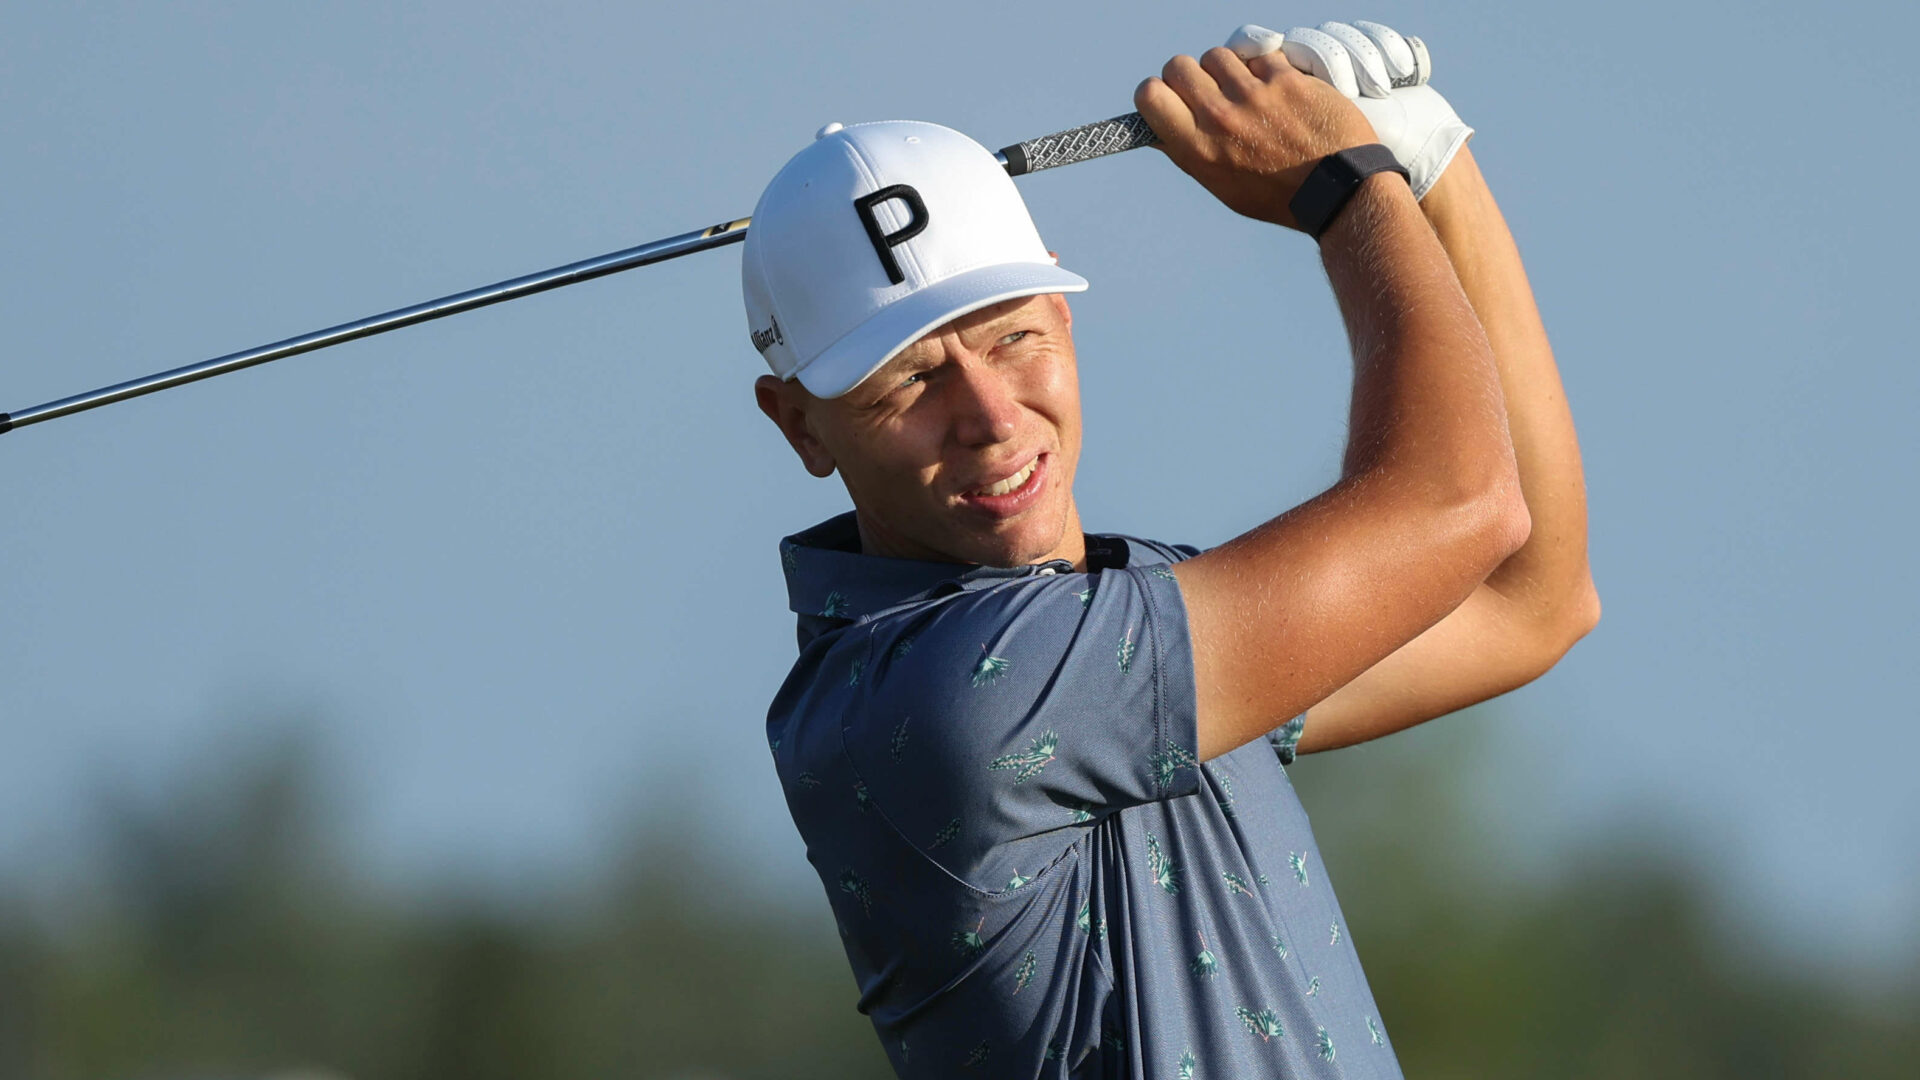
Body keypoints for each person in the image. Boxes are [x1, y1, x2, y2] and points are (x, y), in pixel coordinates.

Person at [746, 20, 1596, 1079]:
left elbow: (1527, 600)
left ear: (1062, 304)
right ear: (798, 425)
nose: (991, 416)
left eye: (1014, 336)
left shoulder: (1129, 615)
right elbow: (1460, 505)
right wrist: (1349, 190)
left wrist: (1437, 175)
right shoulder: (953, 691)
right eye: (909, 382)